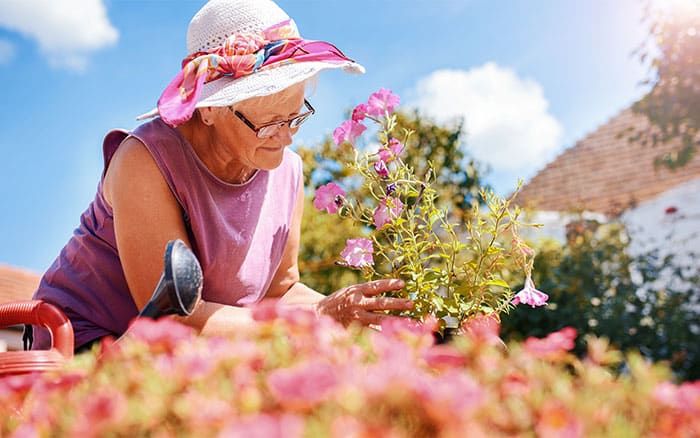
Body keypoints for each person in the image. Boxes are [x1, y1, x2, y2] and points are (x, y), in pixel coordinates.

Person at [30, 0, 412, 352]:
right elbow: (172, 316)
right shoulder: (143, 159)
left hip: (188, 354)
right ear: (209, 110)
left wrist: (361, 314)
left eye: (296, 116)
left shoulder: (287, 168)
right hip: (82, 345)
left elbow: (281, 291)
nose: (287, 135)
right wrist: (317, 317)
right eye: (268, 124)